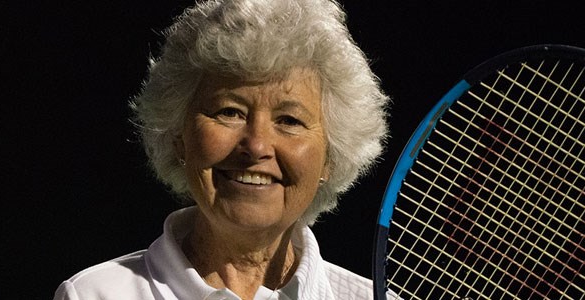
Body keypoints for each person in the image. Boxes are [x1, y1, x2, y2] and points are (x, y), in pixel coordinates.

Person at [53, 0, 389, 299]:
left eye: (289, 120)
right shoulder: (94, 295)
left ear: (330, 158)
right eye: (229, 112)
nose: (256, 146)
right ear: (179, 136)